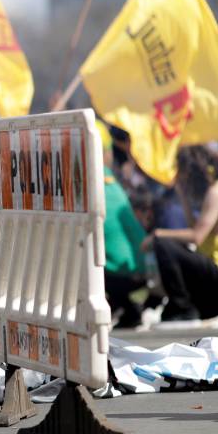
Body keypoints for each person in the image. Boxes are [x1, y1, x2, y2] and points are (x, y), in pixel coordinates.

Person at [143, 146, 218, 321]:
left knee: (164, 244)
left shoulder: (217, 192)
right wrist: (183, 199)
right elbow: (196, 230)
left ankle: (183, 307)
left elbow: (197, 237)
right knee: (170, 244)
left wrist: (158, 234)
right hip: (216, 274)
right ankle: (182, 306)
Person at [95, 121, 147, 329]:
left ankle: (124, 306)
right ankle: (126, 307)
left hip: (121, 272)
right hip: (139, 268)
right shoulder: (109, 182)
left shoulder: (94, 186)